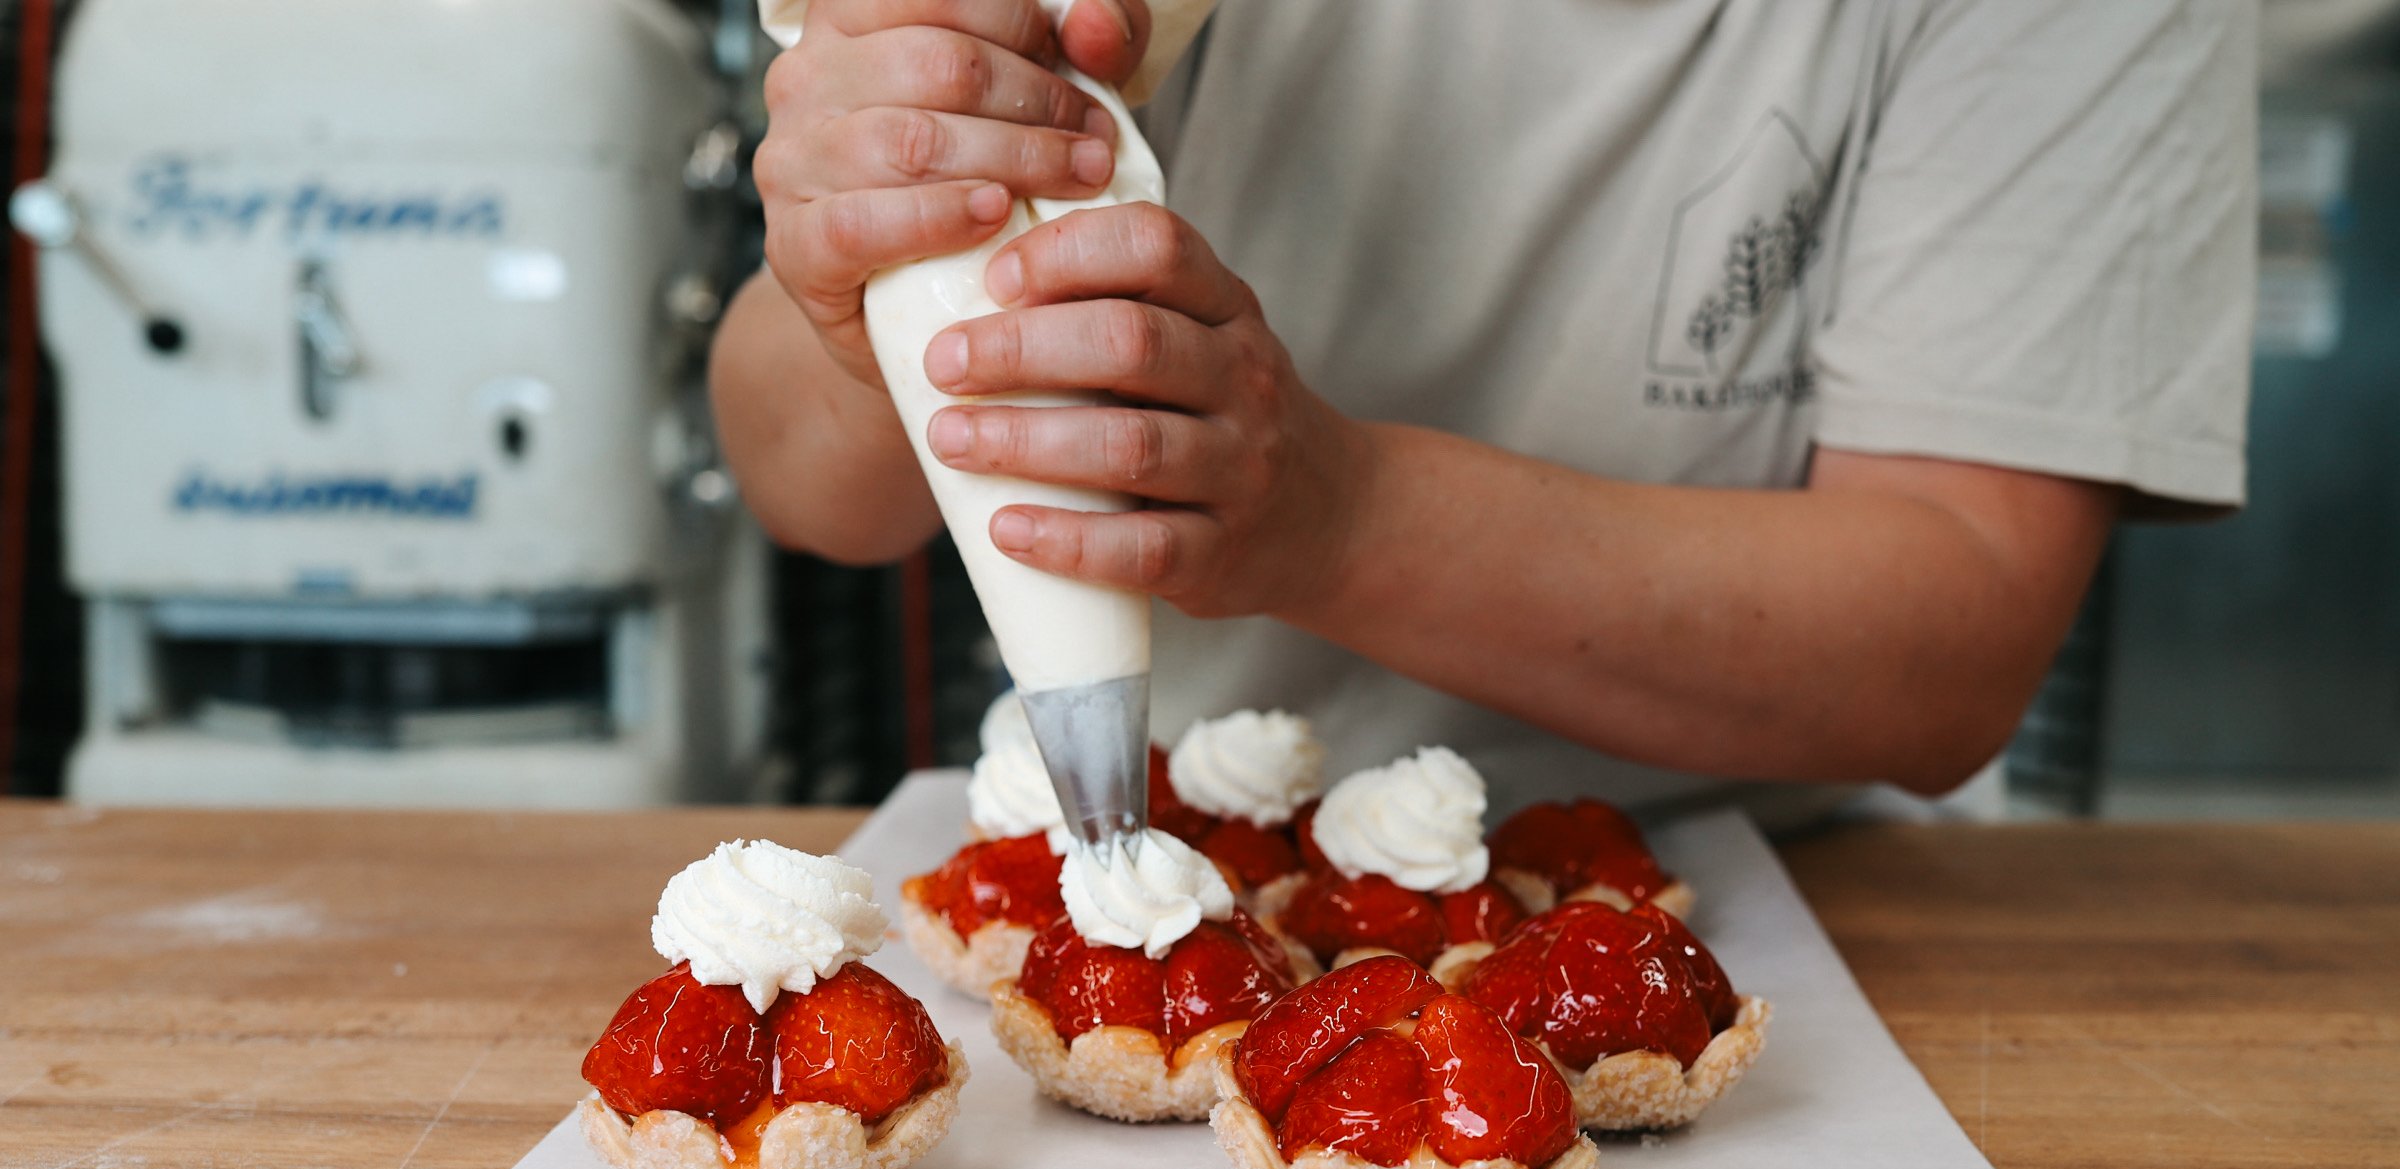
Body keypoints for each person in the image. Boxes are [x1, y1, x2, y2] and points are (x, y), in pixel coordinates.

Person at [711, 0, 2255, 817]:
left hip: (1761, 894)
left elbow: (1953, 643)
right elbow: (817, 489)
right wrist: (890, 290)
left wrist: (1335, 518)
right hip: (1151, 842)